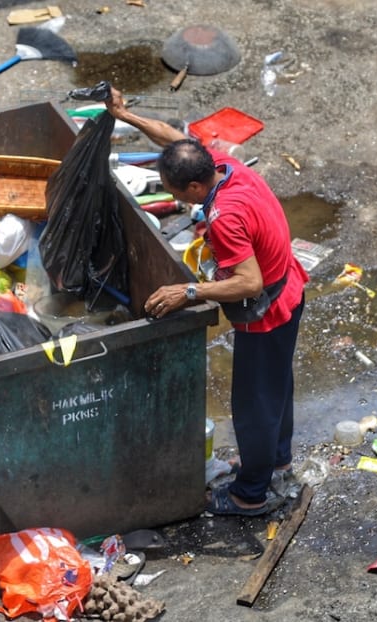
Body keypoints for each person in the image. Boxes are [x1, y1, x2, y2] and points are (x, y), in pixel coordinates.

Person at [106, 87, 309, 516]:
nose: (179, 201)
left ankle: (249, 495)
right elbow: (171, 140)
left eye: (179, 195)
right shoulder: (224, 164)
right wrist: (126, 116)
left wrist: (189, 291)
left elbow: (249, 283)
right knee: (275, 388)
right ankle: (278, 461)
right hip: (292, 290)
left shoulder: (224, 219)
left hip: (267, 310)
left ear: (196, 185)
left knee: (253, 406)